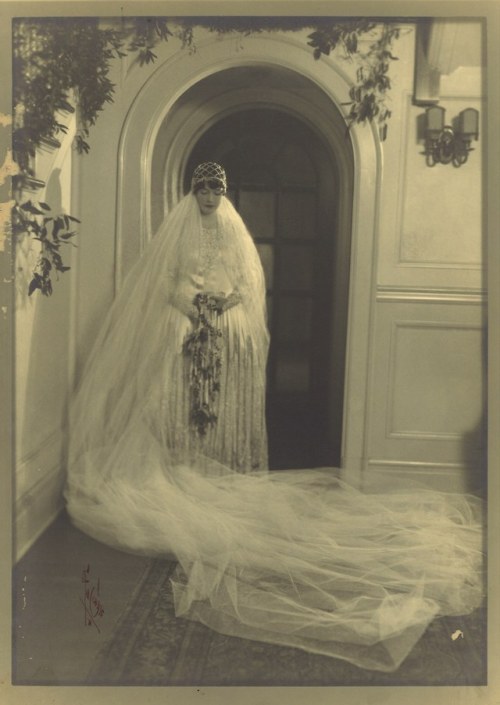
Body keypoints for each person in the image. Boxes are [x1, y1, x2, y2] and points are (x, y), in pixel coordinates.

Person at [65, 162, 484, 674]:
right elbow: (169, 281)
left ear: (224, 191)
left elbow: (247, 280)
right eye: (201, 189)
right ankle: (182, 462)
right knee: (174, 356)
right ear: (191, 192)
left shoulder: (235, 230)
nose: (208, 197)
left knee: (233, 342)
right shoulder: (178, 231)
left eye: (216, 188)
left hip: (228, 318)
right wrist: (193, 304)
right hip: (186, 317)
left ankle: (228, 461)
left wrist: (223, 304)